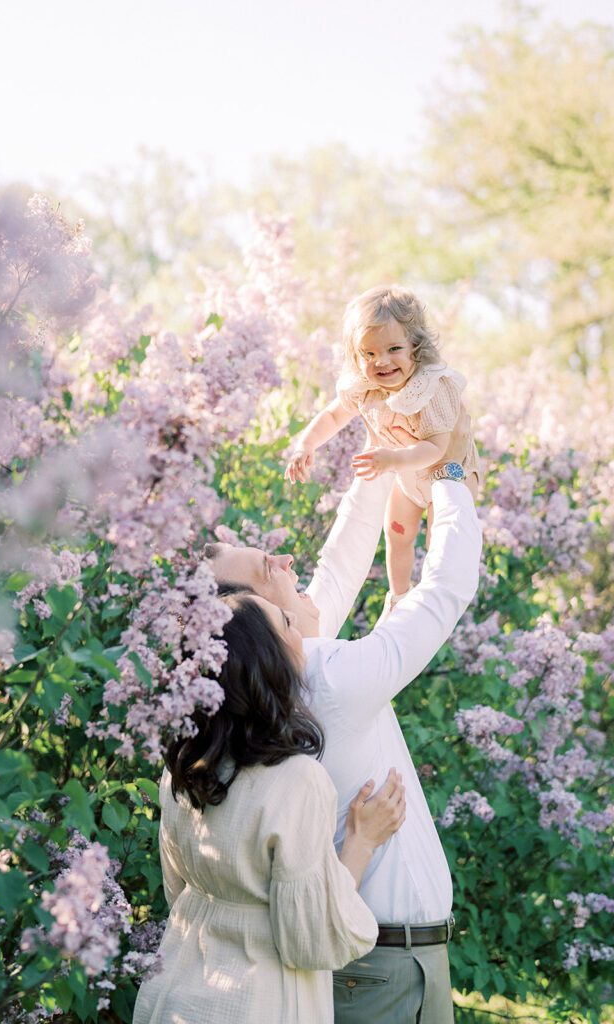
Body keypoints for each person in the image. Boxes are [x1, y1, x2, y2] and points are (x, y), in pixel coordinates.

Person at [206, 408, 482, 1024]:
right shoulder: (328, 679)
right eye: (265, 569)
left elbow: (341, 561)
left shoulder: (282, 681)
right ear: (247, 621)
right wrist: (450, 471)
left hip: (378, 966)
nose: (284, 562)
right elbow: (448, 589)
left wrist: (383, 452)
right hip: (381, 971)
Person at [132, 592, 407, 1024]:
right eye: (288, 624)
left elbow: (177, 893)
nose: (303, 635)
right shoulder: (296, 780)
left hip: (172, 995)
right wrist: (362, 841)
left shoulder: (183, 769)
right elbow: (314, 940)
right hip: (256, 1003)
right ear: (267, 659)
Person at [285, 284, 481, 605]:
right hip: (407, 477)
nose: (382, 362)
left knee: (441, 538)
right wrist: (305, 445)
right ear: (356, 355)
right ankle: (399, 596)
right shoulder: (367, 389)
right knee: (396, 532)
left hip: (448, 474)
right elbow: (333, 417)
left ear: (414, 347)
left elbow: (435, 447)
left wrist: (391, 460)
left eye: (393, 350)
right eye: (370, 353)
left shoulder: (430, 388)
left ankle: (432, 598)